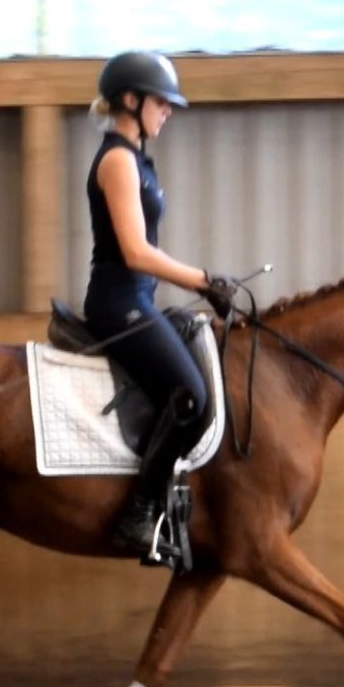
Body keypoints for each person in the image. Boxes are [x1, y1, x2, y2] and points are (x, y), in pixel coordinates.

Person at [83, 50, 238, 560]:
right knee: (191, 396)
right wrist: (202, 279)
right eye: (162, 102)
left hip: (136, 299)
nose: (168, 111)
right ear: (131, 101)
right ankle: (140, 512)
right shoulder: (117, 161)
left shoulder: (137, 160)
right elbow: (135, 252)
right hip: (117, 303)